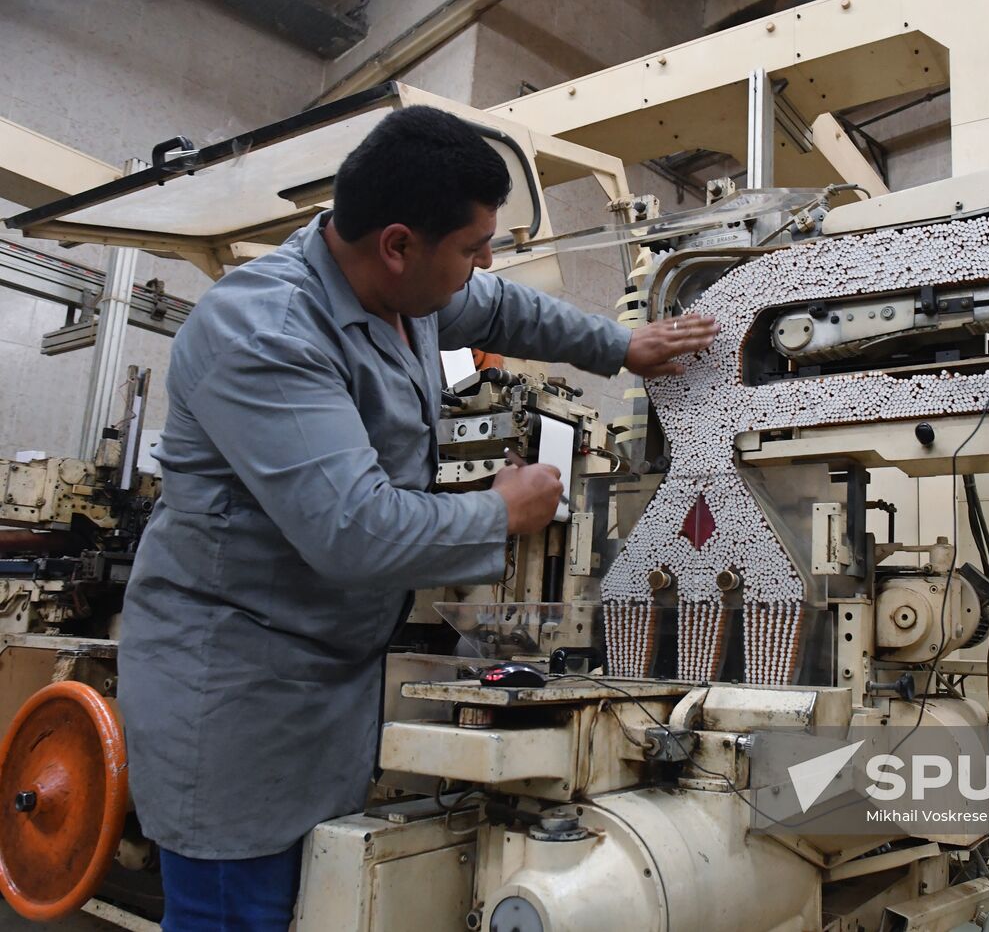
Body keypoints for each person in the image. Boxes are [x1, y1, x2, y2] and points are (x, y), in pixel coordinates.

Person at [117, 105, 717, 931]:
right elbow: (353, 530)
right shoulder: (267, 330)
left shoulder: (403, 291)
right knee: (238, 912)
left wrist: (621, 345)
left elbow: (506, 309)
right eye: (472, 249)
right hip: (238, 702)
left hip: (328, 678)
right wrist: (499, 512)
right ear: (398, 244)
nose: (484, 264)